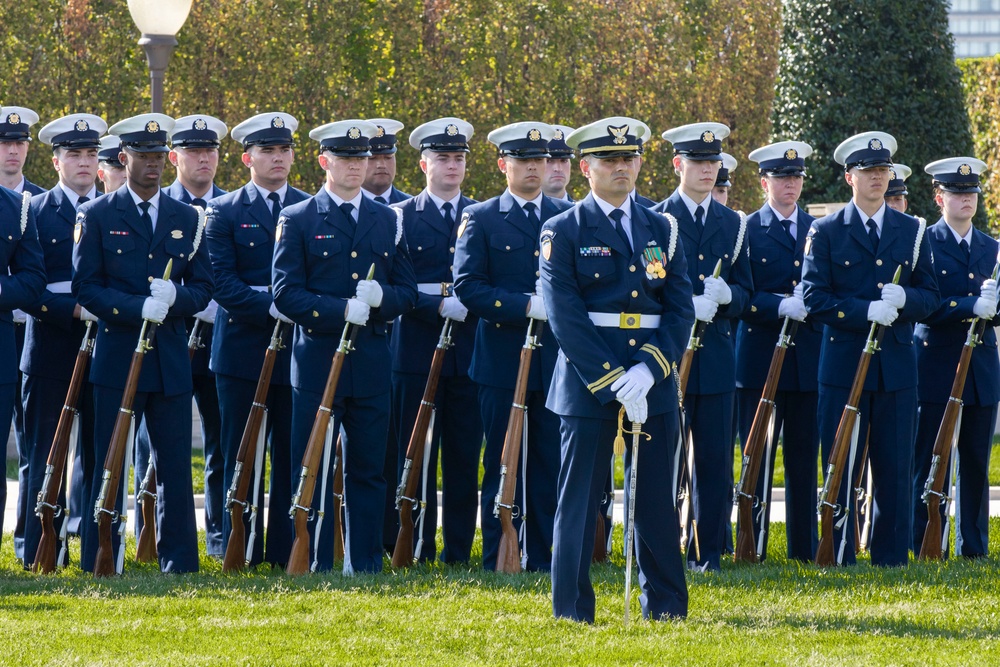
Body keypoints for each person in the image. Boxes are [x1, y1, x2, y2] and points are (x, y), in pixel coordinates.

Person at [542, 116, 693, 622]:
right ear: (585, 167)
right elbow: (564, 314)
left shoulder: (662, 227)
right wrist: (610, 380)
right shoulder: (562, 229)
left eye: (629, 158)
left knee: (654, 498)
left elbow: (679, 308)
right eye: (608, 159)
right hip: (589, 383)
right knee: (579, 502)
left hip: (652, 378)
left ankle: (667, 606)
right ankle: (572, 610)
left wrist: (650, 371)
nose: (621, 167)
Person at [272, 119, 417, 574]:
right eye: (346, 159)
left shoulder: (387, 219)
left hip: (372, 361)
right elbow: (284, 292)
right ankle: (312, 557)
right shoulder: (298, 218)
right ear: (324, 162)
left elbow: (408, 292)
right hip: (317, 360)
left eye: (362, 159)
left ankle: (365, 562)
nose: (357, 167)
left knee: (369, 470)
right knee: (309, 465)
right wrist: (337, 310)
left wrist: (382, 300)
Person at [73, 113, 213, 573]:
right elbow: (86, 287)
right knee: (109, 463)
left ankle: (179, 562)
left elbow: (204, 287)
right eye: (143, 157)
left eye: (158, 157)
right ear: (124, 158)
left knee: (174, 466)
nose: (152, 165)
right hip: (116, 358)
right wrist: (135, 308)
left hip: (170, 358)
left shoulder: (187, 217)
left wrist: (176, 298)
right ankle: (101, 553)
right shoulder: (97, 214)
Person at [801, 131, 938, 567]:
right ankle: (839, 550)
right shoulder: (825, 230)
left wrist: (906, 302)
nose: (877, 178)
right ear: (849, 177)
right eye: (868, 171)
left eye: (883, 171)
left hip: (896, 369)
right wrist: (864, 312)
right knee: (840, 464)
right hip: (843, 368)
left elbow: (930, 296)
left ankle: (891, 557)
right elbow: (812, 298)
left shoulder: (912, 230)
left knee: (895, 468)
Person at [454, 121, 572, 572]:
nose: (533, 169)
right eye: (523, 161)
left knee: (547, 462)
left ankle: (543, 556)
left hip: (555, 360)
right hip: (502, 361)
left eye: (540, 161)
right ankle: (497, 554)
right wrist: (524, 305)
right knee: (502, 462)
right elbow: (469, 286)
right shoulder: (481, 218)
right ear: (504, 165)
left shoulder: (565, 218)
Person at [206, 111, 309, 568]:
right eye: (268, 151)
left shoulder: (309, 208)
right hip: (241, 350)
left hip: (296, 352)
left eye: (284, 150)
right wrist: (272, 304)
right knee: (241, 454)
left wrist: (294, 303)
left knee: (290, 455)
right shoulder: (224, 210)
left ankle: (286, 550)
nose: (278, 158)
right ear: (247, 157)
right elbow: (220, 281)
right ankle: (239, 547)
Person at [653, 121, 753, 571]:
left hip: (715, 362)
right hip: (666, 360)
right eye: (698, 162)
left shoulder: (733, 224)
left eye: (713, 162)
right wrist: (684, 302)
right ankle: (660, 549)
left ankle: (707, 552)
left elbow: (747, 292)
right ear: (678, 164)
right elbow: (647, 286)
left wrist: (728, 298)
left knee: (714, 465)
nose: (708, 170)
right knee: (663, 464)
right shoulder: (655, 220)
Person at [389, 117, 481, 563]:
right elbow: (397, 285)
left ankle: (459, 552)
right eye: (442, 157)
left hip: (469, 356)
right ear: (423, 163)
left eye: (459, 158)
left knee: (463, 459)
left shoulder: (481, 215)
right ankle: (417, 545)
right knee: (415, 456)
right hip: (415, 351)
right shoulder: (401, 217)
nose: (452, 165)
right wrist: (436, 305)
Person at [19, 113, 106, 569]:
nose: (84, 162)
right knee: (43, 454)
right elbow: (28, 287)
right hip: (51, 349)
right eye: (74, 154)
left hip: (101, 351)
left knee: (95, 454)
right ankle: (36, 548)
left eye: (92, 154)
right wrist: (71, 308)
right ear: (56, 161)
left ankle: (91, 547)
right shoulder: (33, 210)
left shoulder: (113, 209)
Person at [736, 140, 820, 562]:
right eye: (782, 177)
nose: (791, 184)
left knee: (805, 459)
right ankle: (754, 545)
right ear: (765, 182)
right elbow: (741, 296)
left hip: (807, 361)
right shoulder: (747, 230)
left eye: (797, 177)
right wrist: (777, 303)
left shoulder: (819, 229)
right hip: (760, 359)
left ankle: (805, 549)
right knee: (759, 457)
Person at [912, 157, 997, 559]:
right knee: (931, 458)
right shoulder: (924, 243)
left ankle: (973, 546)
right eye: (958, 194)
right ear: (939, 198)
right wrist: (968, 305)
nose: (966, 200)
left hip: (980, 369)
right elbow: (924, 304)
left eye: (971, 194)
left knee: (977, 462)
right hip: (936, 365)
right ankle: (926, 542)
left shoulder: (992, 248)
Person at [161, 114, 229, 558]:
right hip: (167, 340)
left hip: (219, 341)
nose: (204, 159)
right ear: (173, 158)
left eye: (210, 151)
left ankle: (222, 537)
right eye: (193, 151)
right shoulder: (157, 204)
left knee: (221, 442)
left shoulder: (232, 206)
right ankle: (158, 532)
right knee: (160, 447)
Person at [359, 118, 412, 555]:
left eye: (386, 155)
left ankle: (389, 539)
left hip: (396, 347)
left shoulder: (402, 215)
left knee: (386, 452)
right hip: (345, 344)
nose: (379, 164)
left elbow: (408, 286)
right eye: (369, 156)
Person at [1, 106, 45, 562]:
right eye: (4, 142)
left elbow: (35, 278)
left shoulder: (37, 203)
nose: (12, 150)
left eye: (19, 142)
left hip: (28, 335)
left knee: (30, 443)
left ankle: (27, 544)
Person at [362, 119, 412, 204]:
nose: (381, 165)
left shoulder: (413, 207)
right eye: (372, 158)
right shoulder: (347, 207)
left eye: (388, 157)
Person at [541, 125, 575, 202]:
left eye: (564, 160)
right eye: (549, 161)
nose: (558, 168)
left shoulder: (582, 212)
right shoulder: (527, 213)